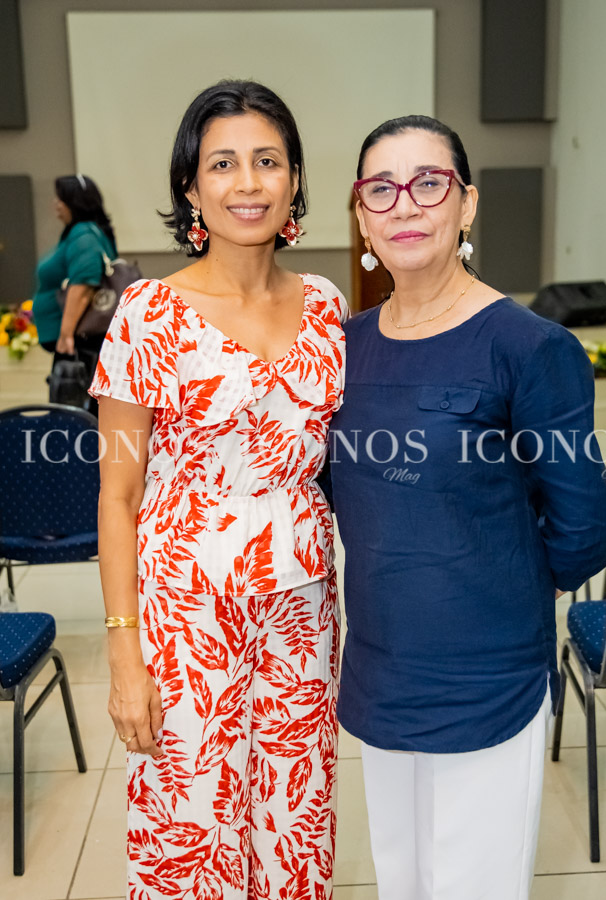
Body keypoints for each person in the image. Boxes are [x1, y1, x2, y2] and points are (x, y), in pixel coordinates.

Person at [328, 115, 606, 900]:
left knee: (472, 886)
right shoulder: (340, 348)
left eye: (429, 183)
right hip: (381, 667)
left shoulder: (526, 346)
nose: (404, 205)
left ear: (467, 205)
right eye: (379, 189)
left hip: (487, 674)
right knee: (402, 879)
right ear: (360, 215)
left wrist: (500, 585)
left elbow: (587, 527)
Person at [88, 80, 347, 899]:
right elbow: (118, 497)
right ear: (191, 188)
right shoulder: (148, 315)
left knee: (295, 817)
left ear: (295, 179)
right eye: (223, 164)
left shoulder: (328, 308)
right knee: (189, 829)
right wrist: (124, 653)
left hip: (302, 608)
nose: (247, 183)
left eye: (267, 161)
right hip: (184, 615)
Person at [32, 174, 117, 398]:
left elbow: (83, 286)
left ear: (74, 203)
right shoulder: (79, 232)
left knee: (73, 414)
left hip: (78, 344)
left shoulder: (83, 234)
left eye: (60, 198)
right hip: (79, 342)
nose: (55, 204)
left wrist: (66, 335)